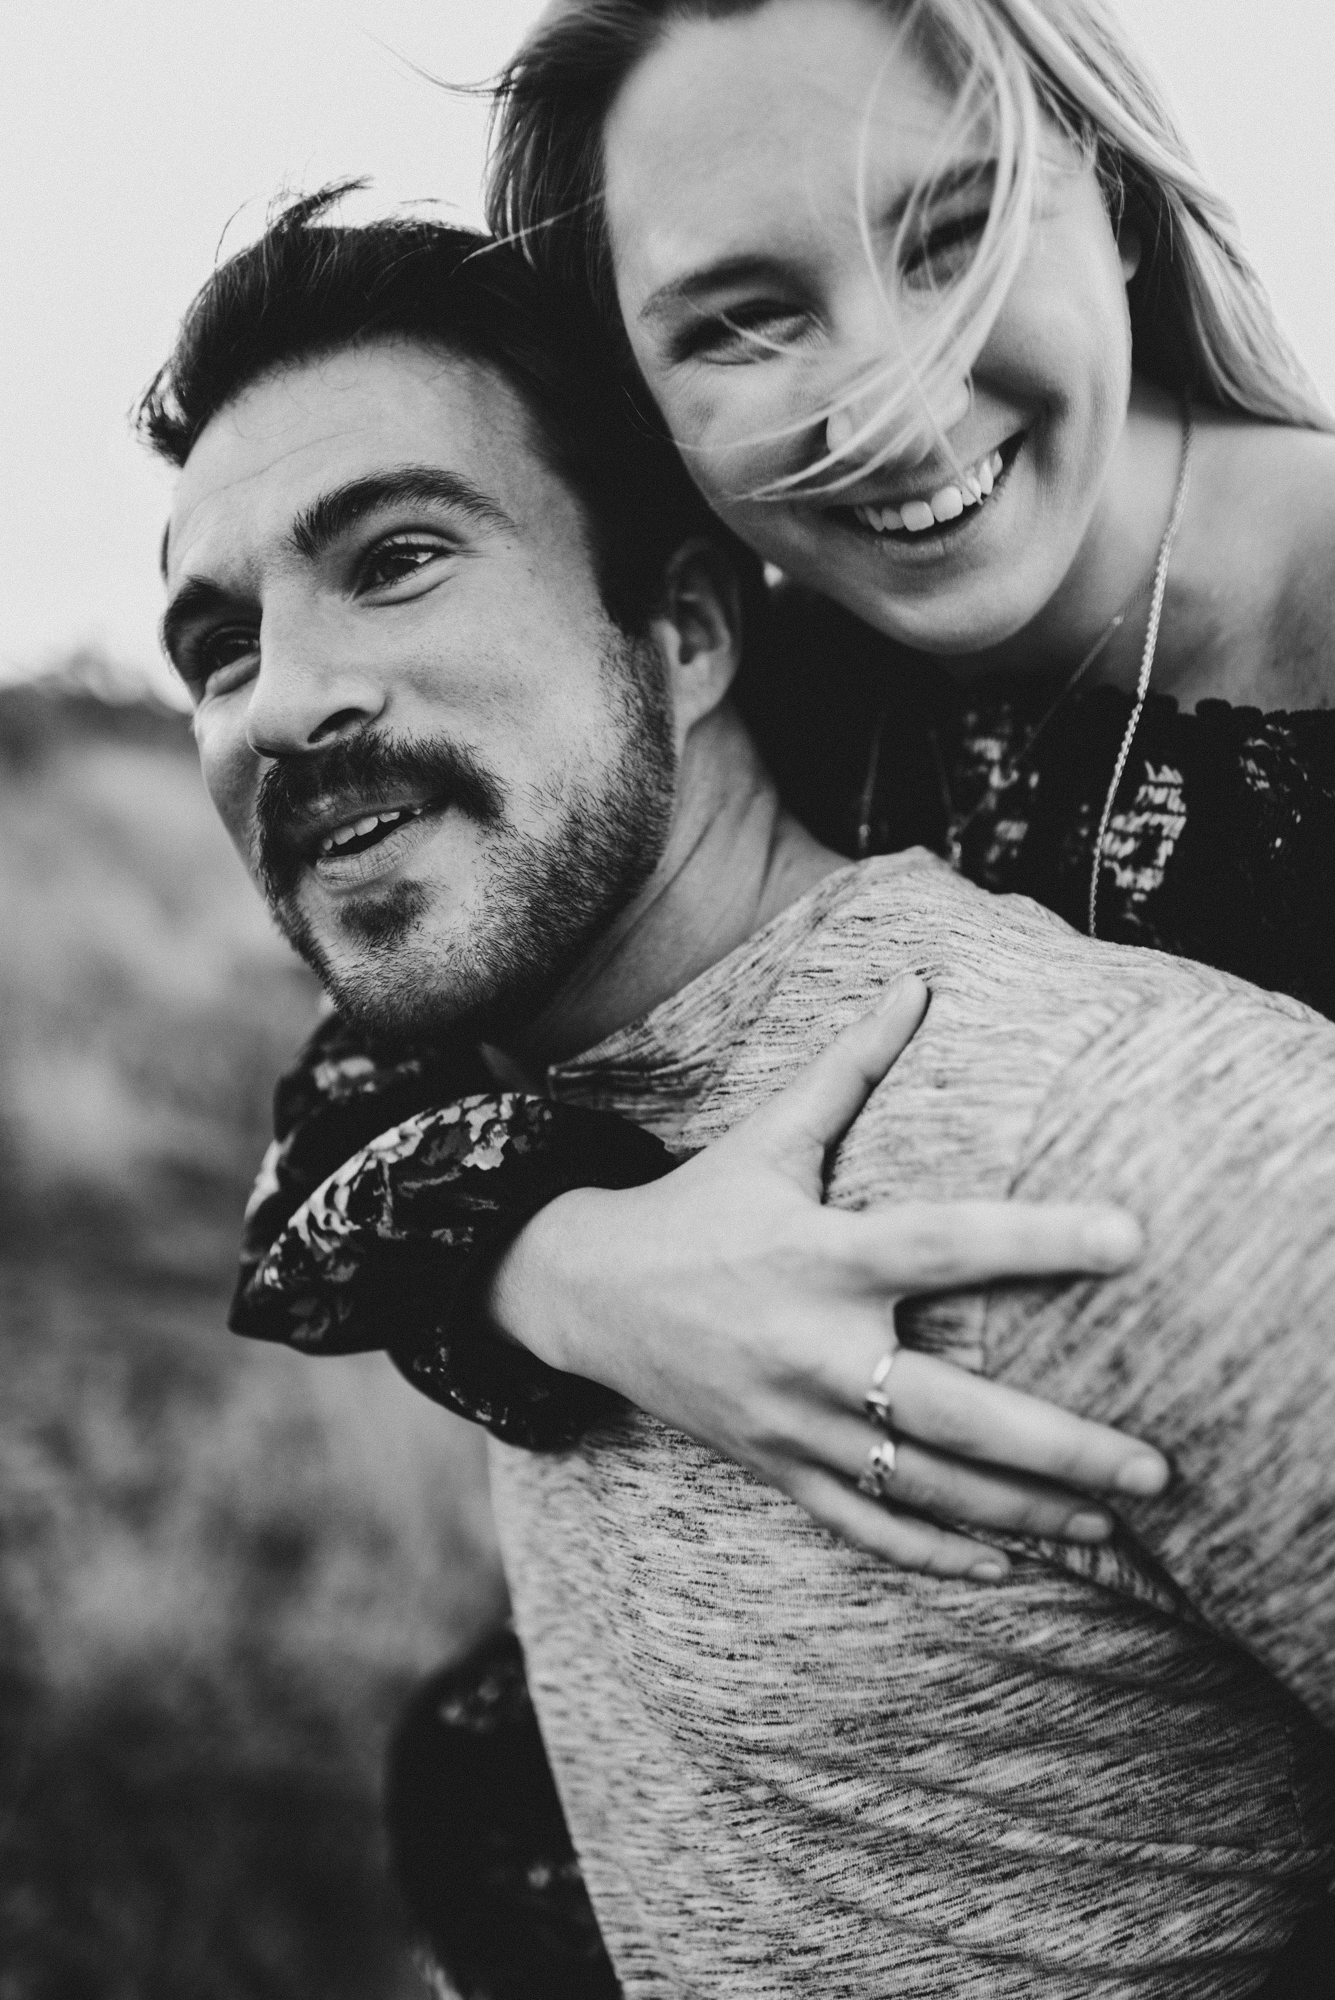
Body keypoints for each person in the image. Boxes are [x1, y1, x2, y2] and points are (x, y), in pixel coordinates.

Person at [140, 203, 1335, 1996]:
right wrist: (561, 1260)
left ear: (691, 634)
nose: (283, 701)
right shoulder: (502, 1079)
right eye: (219, 647)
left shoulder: (1134, 1144)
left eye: (396, 557)